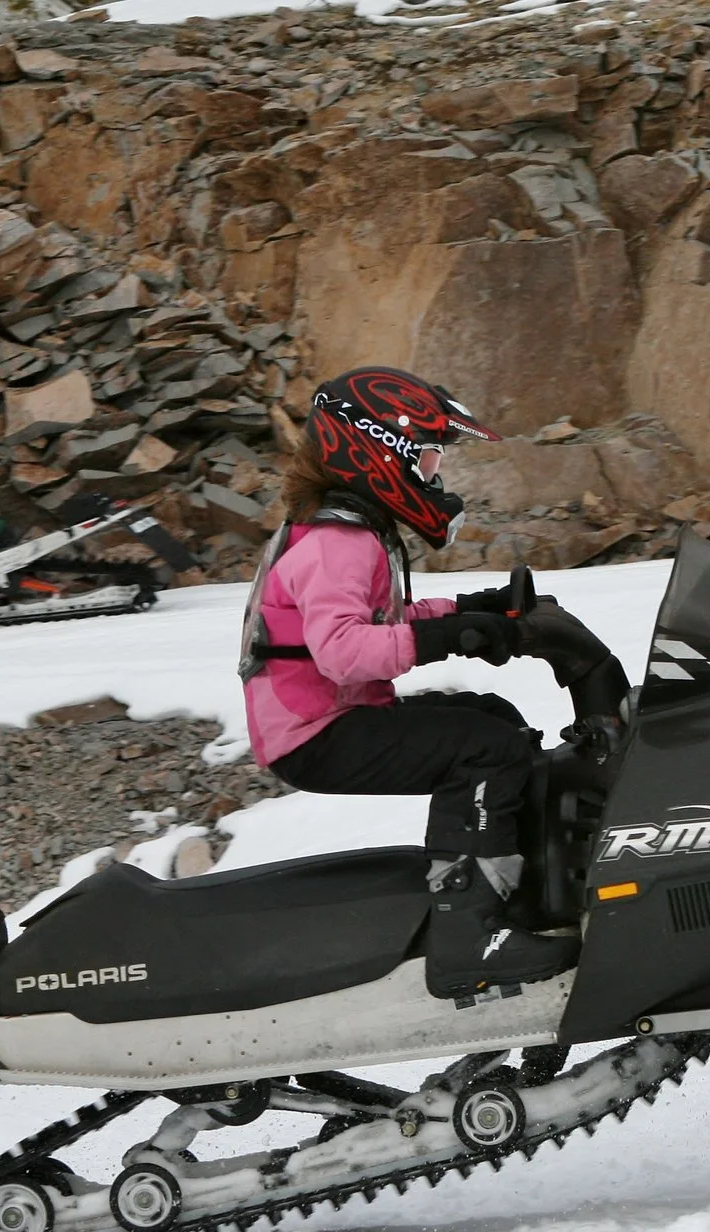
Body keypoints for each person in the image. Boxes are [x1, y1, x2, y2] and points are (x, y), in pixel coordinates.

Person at [239, 367, 578, 1000]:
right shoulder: (338, 540)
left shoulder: (346, 528)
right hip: (315, 735)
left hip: (326, 721)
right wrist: (448, 638)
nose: (433, 474)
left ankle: (513, 886)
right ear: (377, 450)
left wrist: (467, 610)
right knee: (484, 749)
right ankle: (467, 938)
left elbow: (381, 619)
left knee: (494, 719)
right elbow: (343, 652)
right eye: (425, 457)